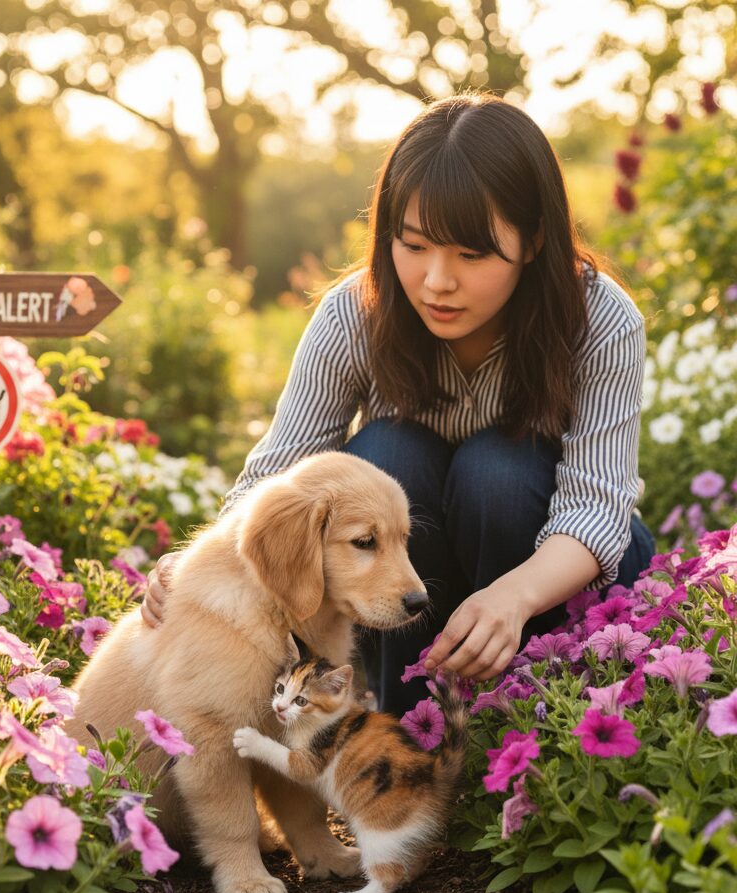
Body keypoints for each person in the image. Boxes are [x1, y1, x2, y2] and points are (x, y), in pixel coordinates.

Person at [141, 92, 655, 716]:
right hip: (413, 589)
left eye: (471, 254)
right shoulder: (355, 314)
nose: (437, 281)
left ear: (534, 237)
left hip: (547, 579)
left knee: (495, 470)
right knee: (387, 454)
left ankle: (543, 711)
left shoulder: (599, 320)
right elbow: (280, 476)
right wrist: (195, 566)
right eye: (413, 246)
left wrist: (514, 597)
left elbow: (597, 507)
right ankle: (411, 723)